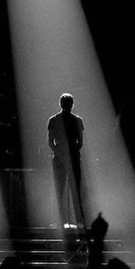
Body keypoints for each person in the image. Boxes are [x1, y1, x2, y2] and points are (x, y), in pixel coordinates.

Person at [47, 93, 84, 228]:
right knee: (74, 190)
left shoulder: (54, 120)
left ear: (60, 104)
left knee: (59, 190)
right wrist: (71, 152)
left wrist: (60, 152)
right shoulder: (77, 120)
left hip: (60, 158)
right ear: (71, 104)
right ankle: (78, 221)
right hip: (72, 157)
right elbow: (80, 142)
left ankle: (60, 221)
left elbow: (50, 142)